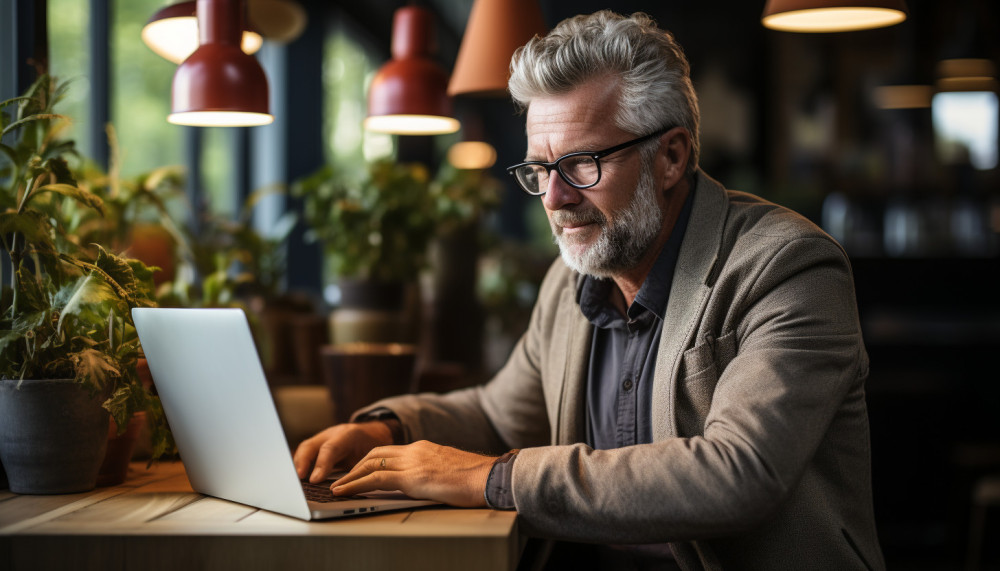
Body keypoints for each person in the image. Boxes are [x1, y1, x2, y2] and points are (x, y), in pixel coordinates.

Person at [294, 10, 884, 571]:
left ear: (671, 156)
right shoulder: (574, 275)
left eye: (580, 165)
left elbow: (740, 474)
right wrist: (384, 429)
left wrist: (488, 479)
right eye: (539, 170)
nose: (554, 199)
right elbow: (500, 416)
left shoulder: (788, 267)